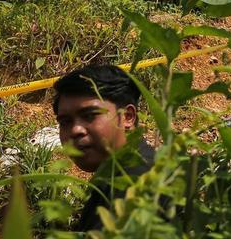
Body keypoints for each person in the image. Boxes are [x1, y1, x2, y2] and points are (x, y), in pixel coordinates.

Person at [53, 64, 155, 231]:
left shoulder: (136, 185)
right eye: (65, 122)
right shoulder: (116, 178)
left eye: (89, 116)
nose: (75, 130)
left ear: (127, 116)